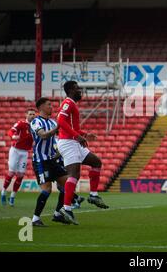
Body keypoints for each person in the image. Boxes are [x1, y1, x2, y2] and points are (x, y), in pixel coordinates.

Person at [57, 81, 108, 225]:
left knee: (96, 162)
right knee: (74, 174)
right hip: (68, 143)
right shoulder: (68, 103)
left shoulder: (72, 103)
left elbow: (71, 126)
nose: (80, 91)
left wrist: (84, 134)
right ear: (71, 90)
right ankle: (66, 208)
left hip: (74, 141)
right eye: (77, 88)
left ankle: (93, 195)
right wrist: (77, 136)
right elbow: (60, 120)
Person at [30, 97, 73, 226]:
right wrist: (58, 128)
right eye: (49, 105)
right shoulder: (35, 122)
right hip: (41, 161)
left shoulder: (53, 123)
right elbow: (43, 135)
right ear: (41, 107)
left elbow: (59, 140)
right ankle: (35, 219)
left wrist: (60, 152)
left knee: (67, 185)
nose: (51, 107)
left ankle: (57, 214)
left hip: (52, 160)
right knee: (47, 190)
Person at [1, 108, 36, 206]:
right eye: (30, 114)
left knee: (20, 175)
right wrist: (13, 136)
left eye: (34, 114)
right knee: (11, 173)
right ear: (26, 115)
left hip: (24, 152)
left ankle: (12, 196)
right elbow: (11, 131)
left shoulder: (35, 127)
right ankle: (3, 192)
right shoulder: (21, 123)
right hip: (15, 150)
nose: (32, 116)